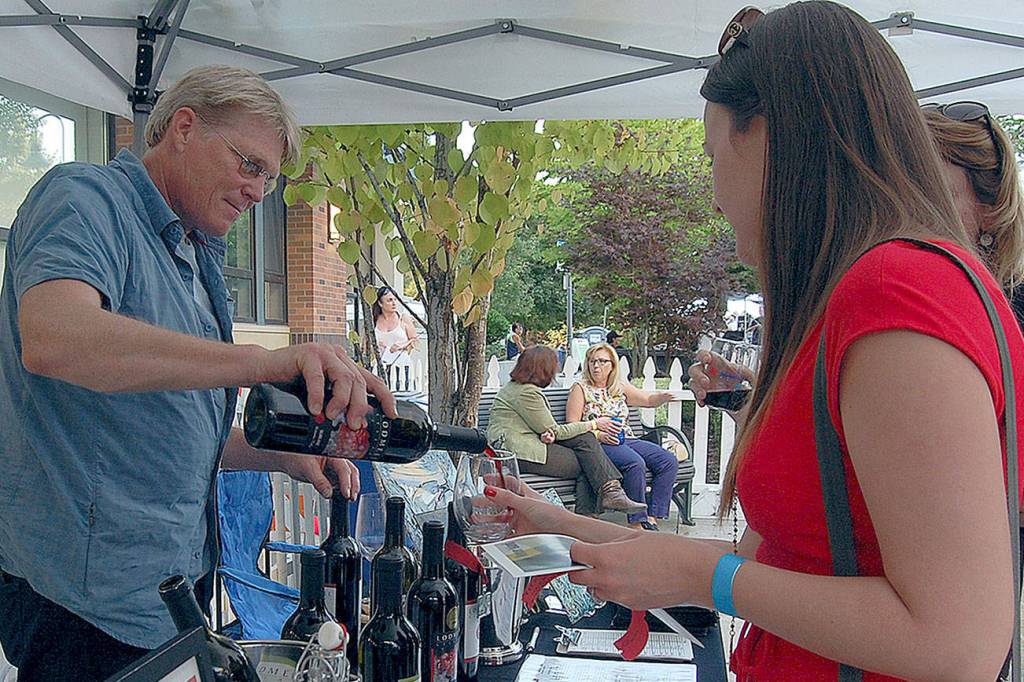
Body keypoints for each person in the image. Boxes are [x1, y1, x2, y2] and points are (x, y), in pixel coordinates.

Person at [487, 3, 1024, 680]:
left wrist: (703, 572)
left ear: (769, 134)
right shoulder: (869, 291)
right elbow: (796, 567)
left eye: (715, 153)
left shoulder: (897, 289)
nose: (715, 192)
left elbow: (957, 642)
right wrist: (558, 525)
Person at [0, 65, 396, 681]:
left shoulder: (196, 259)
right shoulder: (83, 197)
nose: (260, 191)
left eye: (268, 177)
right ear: (184, 127)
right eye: (250, 165)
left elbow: (161, 434)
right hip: (85, 607)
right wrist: (267, 361)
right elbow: (56, 340)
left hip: (176, 597)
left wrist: (279, 458)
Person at [485, 346, 646, 516]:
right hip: (518, 453)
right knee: (590, 463)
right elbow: (556, 430)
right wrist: (594, 424)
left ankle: (605, 499)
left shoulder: (517, 388)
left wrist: (549, 433)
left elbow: (545, 429)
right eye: (554, 367)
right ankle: (592, 515)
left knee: (587, 447)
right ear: (543, 368)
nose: (555, 372)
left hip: (524, 444)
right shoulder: (527, 393)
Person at [566, 343, 677, 530]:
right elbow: (572, 425)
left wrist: (662, 397)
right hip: (600, 442)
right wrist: (598, 434)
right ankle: (636, 522)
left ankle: (653, 516)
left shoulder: (619, 387)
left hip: (627, 438)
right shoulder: (580, 388)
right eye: (592, 361)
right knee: (635, 464)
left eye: (602, 361)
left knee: (668, 461)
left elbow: (648, 400)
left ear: (612, 365)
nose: (596, 366)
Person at [372, 286, 419, 389]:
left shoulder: (403, 318)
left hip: (402, 367)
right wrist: (375, 345)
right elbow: (365, 344)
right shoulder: (373, 321)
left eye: (395, 299)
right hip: (381, 366)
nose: (394, 303)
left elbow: (415, 340)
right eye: (389, 300)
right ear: (380, 303)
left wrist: (402, 345)